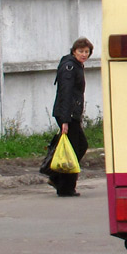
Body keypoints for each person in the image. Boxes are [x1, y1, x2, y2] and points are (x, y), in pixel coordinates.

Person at [49, 37, 93, 197]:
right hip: (67, 114)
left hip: (71, 113)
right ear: (74, 51)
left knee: (78, 146)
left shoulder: (77, 66)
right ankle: (65, 187)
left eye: (87, 52)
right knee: (74, 149)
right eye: (81, 51)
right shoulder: (69, 67)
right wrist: (65, 120)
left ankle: (57, 177)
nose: (84, 54)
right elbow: (65, 93)